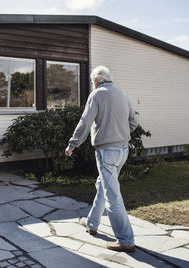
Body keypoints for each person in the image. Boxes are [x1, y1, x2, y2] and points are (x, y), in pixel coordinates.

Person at [65, 65, 138, 252]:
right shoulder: (122, 94)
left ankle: (126, 239)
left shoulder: (96, 95)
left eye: (92, 82)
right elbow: (134, 122)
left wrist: (72, 144)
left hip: (107, 152)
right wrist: (119, 132)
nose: (92, 85)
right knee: (104, 187)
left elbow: (85, 122)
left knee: (112, 195)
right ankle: (92, 223)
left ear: (96, 81)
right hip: (123, 150)